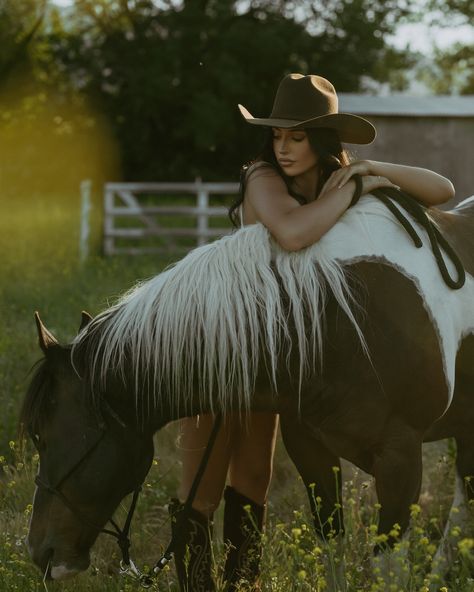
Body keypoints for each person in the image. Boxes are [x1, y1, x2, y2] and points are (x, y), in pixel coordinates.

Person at [170, 73, 455, 592]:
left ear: (323, 140)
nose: (283, 148)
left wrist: (369, 170)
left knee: (253, 477)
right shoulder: (262, 177)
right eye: (277, 135)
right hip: (231, 335)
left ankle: (242, 582)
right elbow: (295, 233)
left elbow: (445, 191)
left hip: (280, 347)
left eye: (296, 137)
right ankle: (192, 582)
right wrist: (353, 192)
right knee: (201, 482)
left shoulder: (338, 176)